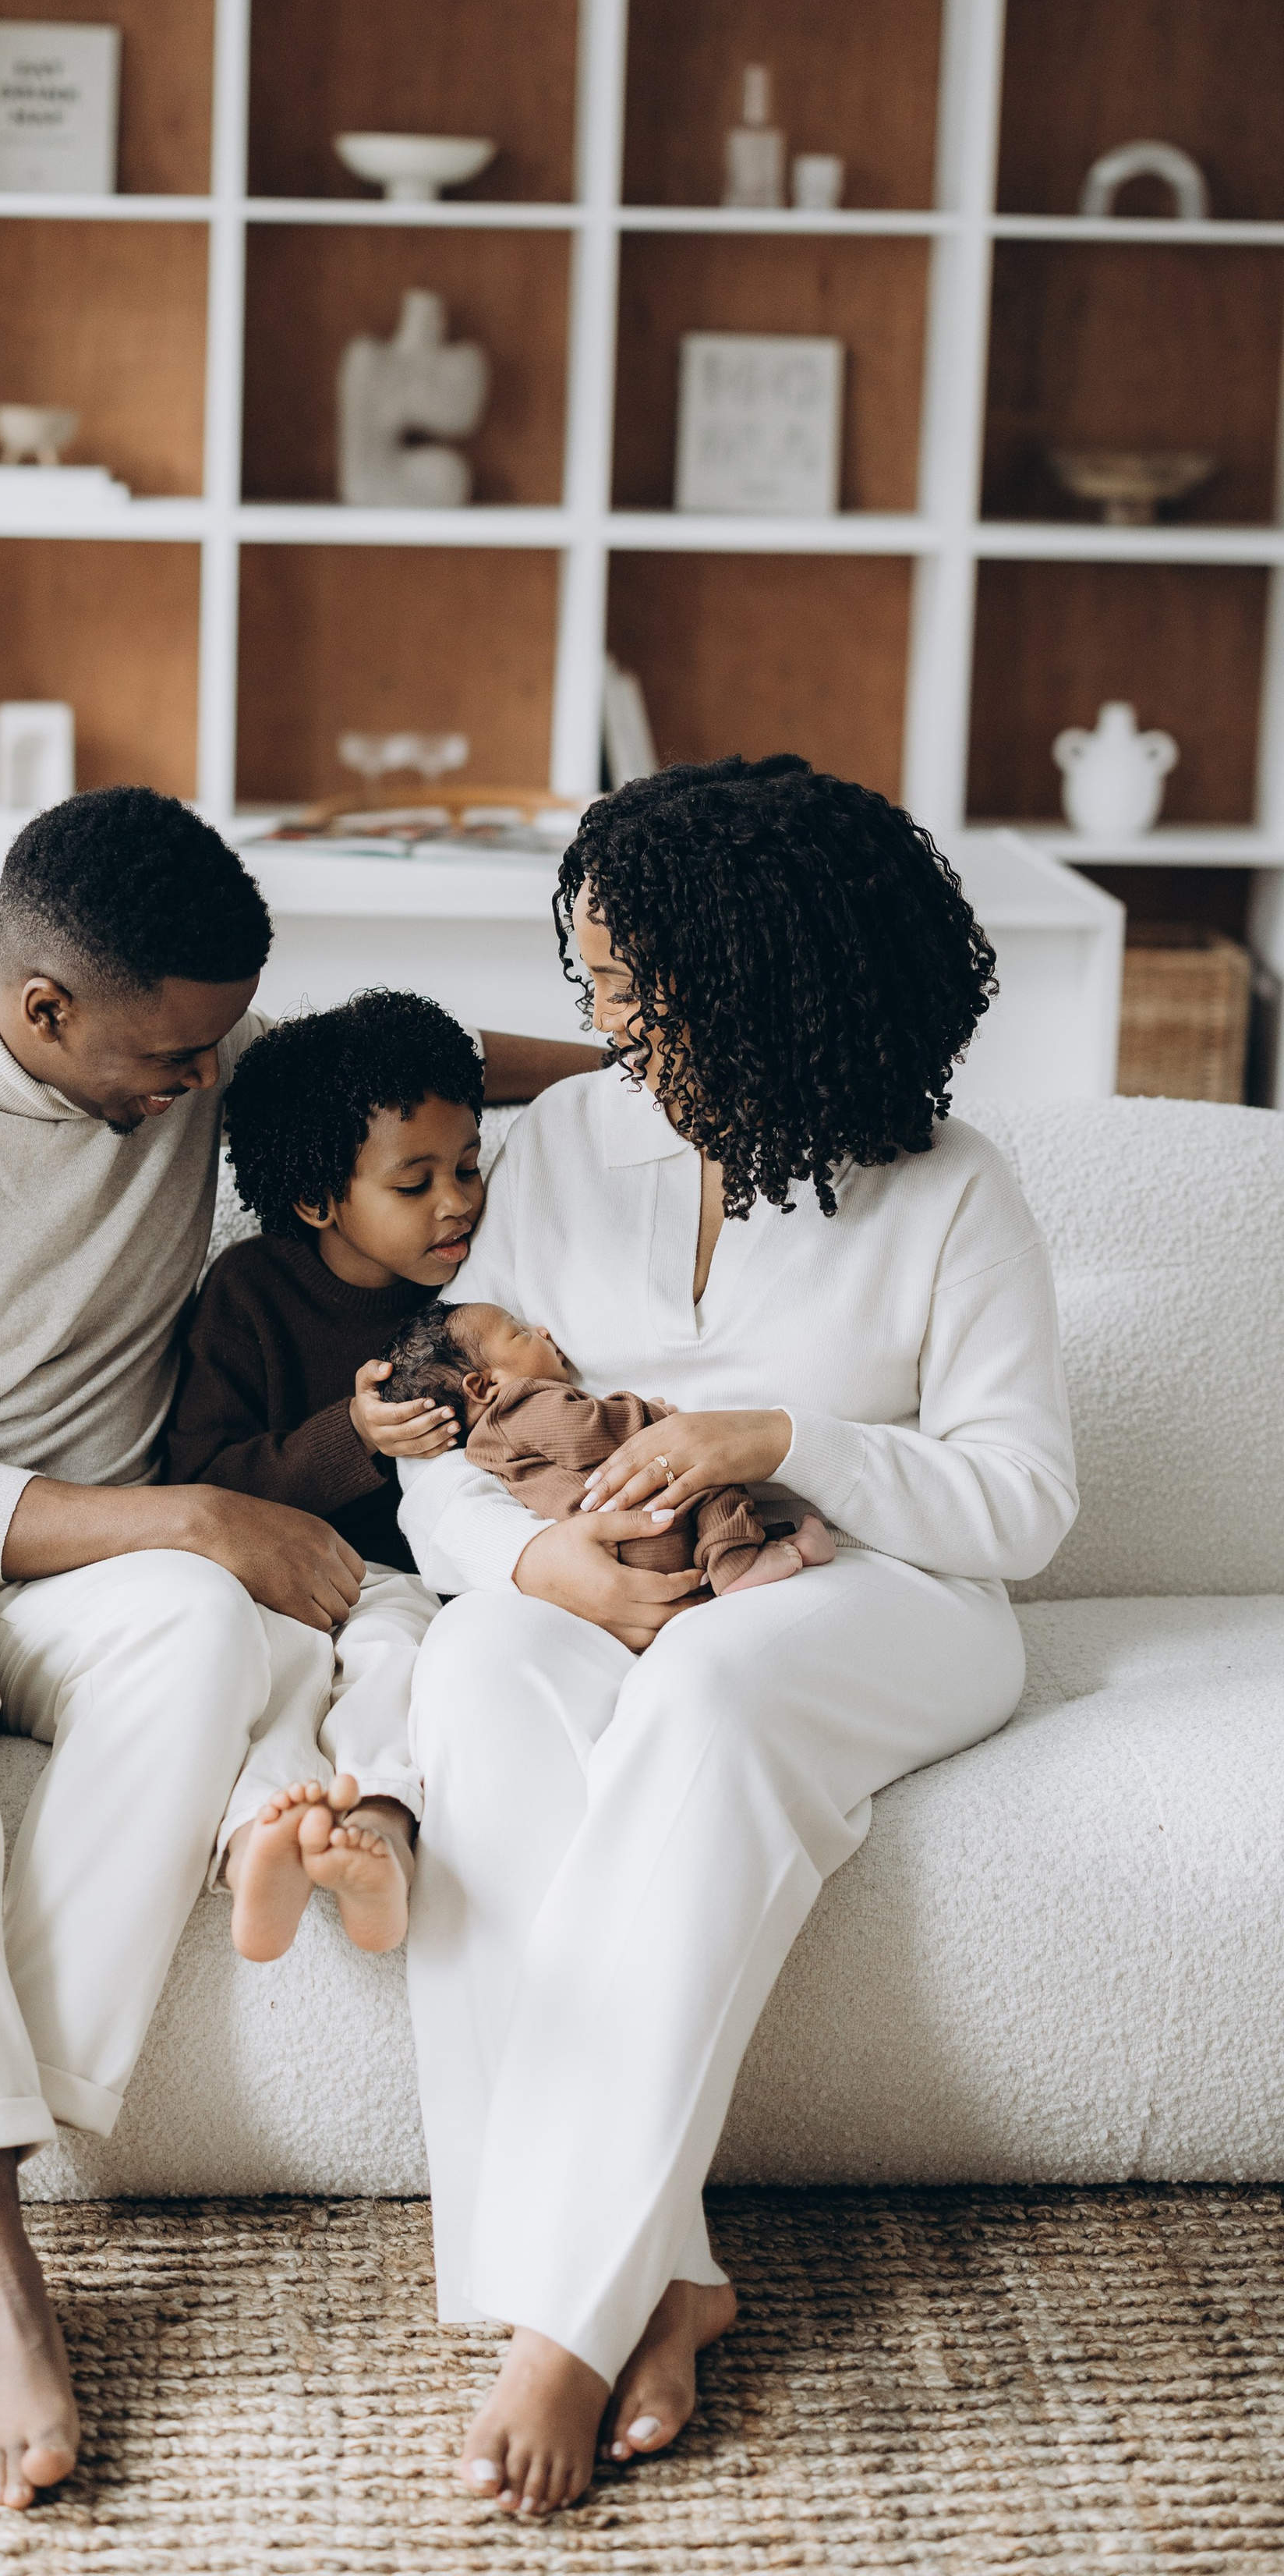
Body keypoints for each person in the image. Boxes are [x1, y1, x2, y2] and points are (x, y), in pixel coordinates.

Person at [0, 787, 598, 2510]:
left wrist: (646, 1063)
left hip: (79, 1575)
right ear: (43, 1011)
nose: (204, 1088)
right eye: (173, 1060)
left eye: (222, 1047)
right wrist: (195, 1513)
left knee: (191, 1621)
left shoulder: (190, 1052)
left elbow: (414, 1064)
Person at [396, 756, 1077, 2518]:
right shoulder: (556, 1148)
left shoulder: (948, 1186)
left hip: (877, 1599)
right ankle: (663, 2271)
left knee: (703, 1685)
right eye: (593, 979)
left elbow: (1016, 1505)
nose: (601, 1018)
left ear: (771, 980)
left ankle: (560, 2312)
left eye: (637, 984)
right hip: (598, 1583)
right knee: (465, 1670)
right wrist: (540, 1572)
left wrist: (774, 1438)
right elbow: (449, 1465)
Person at [161, 991, 479, 1963]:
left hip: (401, 1582)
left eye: (468, 1167)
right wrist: (353, 1434)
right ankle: (266, 1837)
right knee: (280, 1678)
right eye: (414, 1183)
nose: (455, 1201)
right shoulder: (250, 1292)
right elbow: (201, 1475)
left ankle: (378, 1828)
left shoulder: (477, 1294)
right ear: (317, 1200)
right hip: (272, 1576)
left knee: (395, 1660)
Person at [379, 1301, 831, 1591]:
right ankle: (737, 1563)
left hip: (606, 1552)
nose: (542, 1331)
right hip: (644, 1526)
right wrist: (646, 1415)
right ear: (484, 1385)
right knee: (710, 1476)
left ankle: (766, 1551)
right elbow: (586, 1432)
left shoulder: (485, 1451)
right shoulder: (523, 1405)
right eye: (519, 1333)